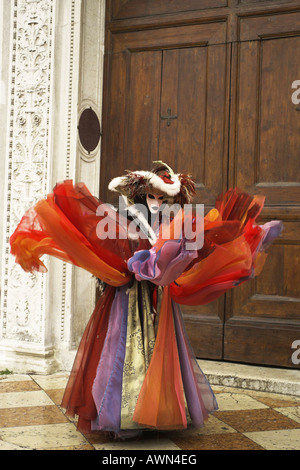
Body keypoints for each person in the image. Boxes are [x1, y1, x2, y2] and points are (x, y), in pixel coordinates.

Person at [10, 161, 282, 438]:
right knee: (122, 351)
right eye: (151, 196)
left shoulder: (173, 223)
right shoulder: (121, 220)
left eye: (163, 198)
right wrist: (132, 266)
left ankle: (160, 410)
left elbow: (188, 251)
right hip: (127, 297)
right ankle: (124, 415)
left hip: (159, 298)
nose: (156, 202)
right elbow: (111, 251)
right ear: (140, 196)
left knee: (162, 351)